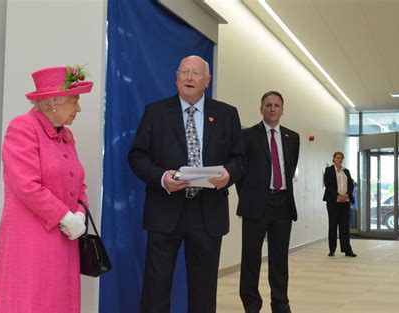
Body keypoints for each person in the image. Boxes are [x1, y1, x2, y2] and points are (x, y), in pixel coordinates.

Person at [128, 55, 245, 313]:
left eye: (195, 73)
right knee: (155, 286)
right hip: (165, 208)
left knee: (203, 290)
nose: (189, 77)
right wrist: (161, 178)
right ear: (176, 77)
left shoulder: (226, 114)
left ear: (207, 81)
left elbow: (239, 158)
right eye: (184, 72)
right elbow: (137, 156)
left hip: (208, 211)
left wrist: (228, 174)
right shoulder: (155, 112)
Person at [0, 65, 93, 313]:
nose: (79, 108)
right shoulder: (22, 128)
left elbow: (78, 181)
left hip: (65, 241)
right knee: (30, 303)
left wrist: (80, 212)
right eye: (75, 101)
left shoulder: (67, 136)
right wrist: (64, 216)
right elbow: (26, 184)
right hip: (31, 242)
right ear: (53, 103)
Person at [236, 91, 299, 313]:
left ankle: (280, 304)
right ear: (261, 109)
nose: (272, 108)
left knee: (280, 259)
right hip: (255, 205)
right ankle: (252, 305)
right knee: (251, 258)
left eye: (276, 105)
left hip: (282, 204)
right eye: (268, 105)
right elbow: (240, 172)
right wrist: (248, 196)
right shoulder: (248, 136)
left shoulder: (293, 137)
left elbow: (289, 169)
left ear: (283, 110)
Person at [323, 151, 357, 257]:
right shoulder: (328, 171)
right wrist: (338, 196)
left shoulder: (346, 171)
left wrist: (346, 195)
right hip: (333, 202)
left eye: (341, 158)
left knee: (345, 227)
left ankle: (347, 250)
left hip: (345, 202)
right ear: (333, 159)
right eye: (338, 158)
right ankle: (332, 249)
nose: (340, 159)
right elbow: (328, 185)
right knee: (333, 225)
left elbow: (351, 185)